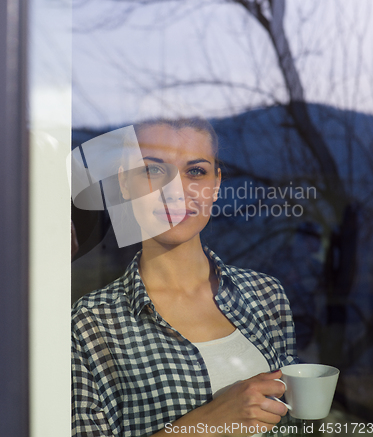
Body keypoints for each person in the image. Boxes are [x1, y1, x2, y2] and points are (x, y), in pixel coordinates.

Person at [72, 118, 298, 437]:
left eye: (195, 171)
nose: (175, 192)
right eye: (153, 170)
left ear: (216, 184)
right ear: (124, 184)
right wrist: (209, 422)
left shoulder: (266, 295)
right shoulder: (91, 323)